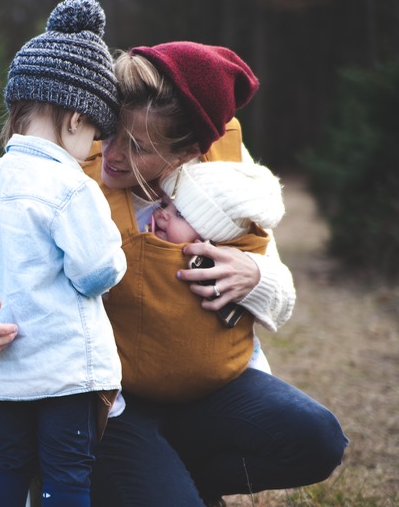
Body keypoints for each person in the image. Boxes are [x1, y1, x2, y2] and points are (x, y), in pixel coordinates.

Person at [0, 41, 348, 507]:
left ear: (188, 151)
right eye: (112, 132)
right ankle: (107, 487)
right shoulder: (70, 168)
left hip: (205, 392)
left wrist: (256, 276)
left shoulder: (224, 178)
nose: (114, 155)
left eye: (140, 147)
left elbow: (280, 290)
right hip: (108, 405)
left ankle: (165, 486)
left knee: (317, 439)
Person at [0, 0, 125, 507]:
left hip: (7, 368)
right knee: (67, 472)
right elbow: (97, 269)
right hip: (63, 365)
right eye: (94, 135)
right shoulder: (69, 184)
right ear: (76, 118)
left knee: (7, 461)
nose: (92, 150)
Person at [117, 160, 286, 403]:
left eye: (180, 214)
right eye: (164, 204)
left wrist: (258, 277)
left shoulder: (228, 249)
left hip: (227, 378)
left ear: (208, 235)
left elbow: (282, 300)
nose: (161, 214)